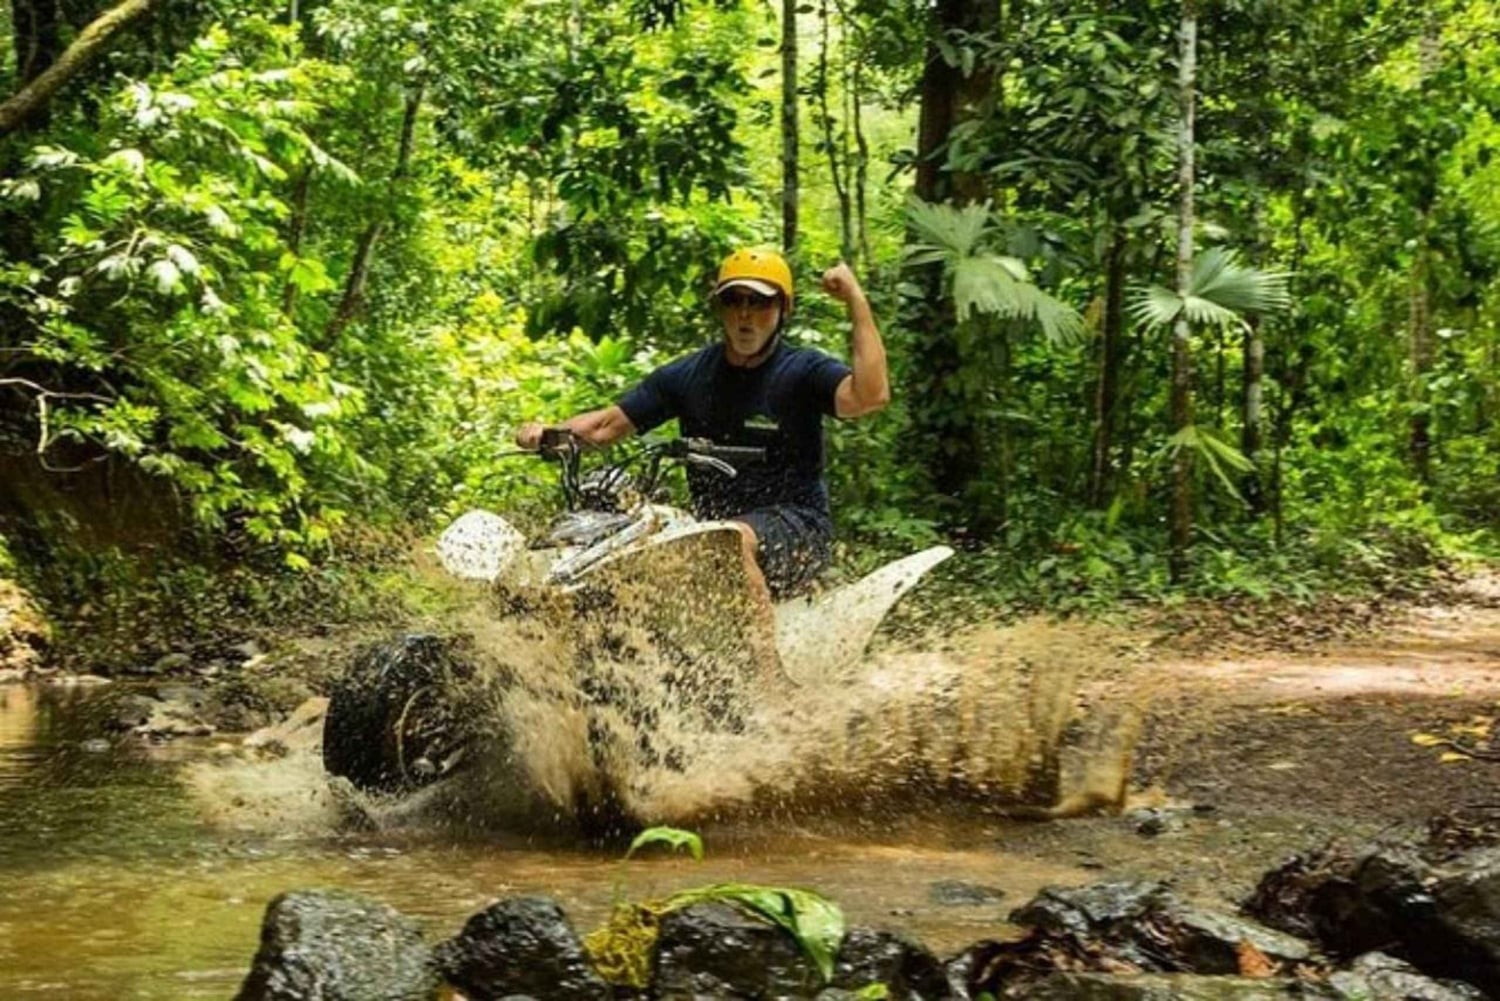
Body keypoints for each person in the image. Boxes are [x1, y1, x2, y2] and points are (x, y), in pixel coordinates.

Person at [516, 247, 889, 599]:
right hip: (708, 532)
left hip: (798, 526)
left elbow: (870, 396)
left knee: (728, 541)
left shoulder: (803, 371)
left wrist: (856, 300)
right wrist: (547, 434)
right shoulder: (689, 375)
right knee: (635, 547)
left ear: (782, 309)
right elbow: (604, 427)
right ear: (720, 308)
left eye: (758, 301)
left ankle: (763, 670)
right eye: (734, 300)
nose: (745, 314)